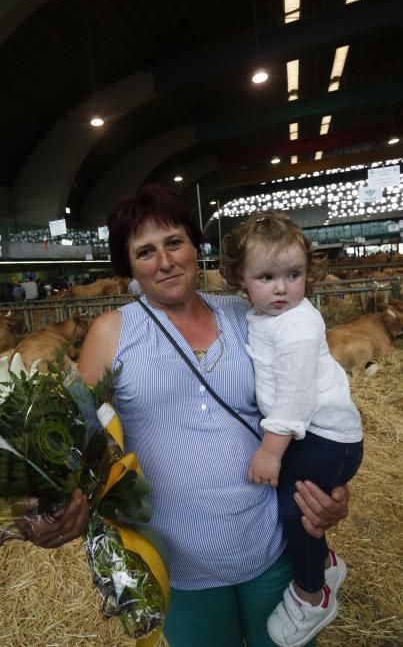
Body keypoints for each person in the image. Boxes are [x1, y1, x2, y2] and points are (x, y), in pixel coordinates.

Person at [28, 185, 350, 647]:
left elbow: (312, 397)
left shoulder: (251, 314)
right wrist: (63, 504)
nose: (164, 261)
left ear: (196, 246)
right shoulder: (110, 332)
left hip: (269, 541)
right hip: (179, 559)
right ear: (128, 268)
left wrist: (333, 486)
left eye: (174, 242)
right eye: (145, 252)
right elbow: (77, 440)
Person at [221, 210, 363, 647]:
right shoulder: (259, 317)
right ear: (240, 280)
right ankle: (324, 565)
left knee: (296, 512)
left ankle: (311, 595)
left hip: (325, 437)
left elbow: (296, 397)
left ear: (308, 273)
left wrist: (270, 451)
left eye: (293, 274)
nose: (282, 288)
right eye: (266, 277)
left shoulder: (298, 323)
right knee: (294, 505)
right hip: (312, 435)